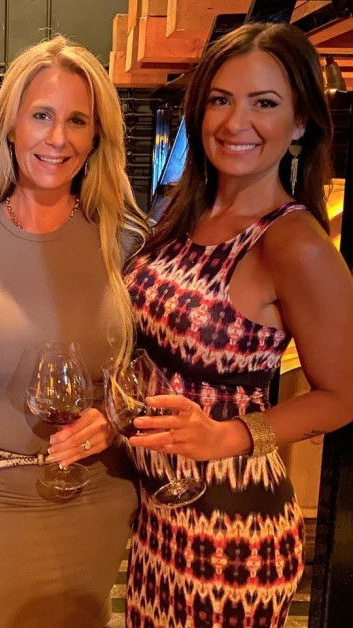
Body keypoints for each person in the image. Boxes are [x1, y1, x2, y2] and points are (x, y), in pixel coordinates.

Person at [123, 22, 353, 628]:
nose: (235, 122)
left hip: (231, 533)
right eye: (221, 100)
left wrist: (229, 436)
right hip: (159, 515)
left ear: (300, 123)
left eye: (265, 103)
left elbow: (342, 396)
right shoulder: (183, 209)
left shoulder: (294, 242)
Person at [0, 35, 148, 627]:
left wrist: (115, 415)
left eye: (78, 120)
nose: (58, 138)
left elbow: (153, 367)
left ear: (97, 136)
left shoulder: (123, 237)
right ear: (9, 126)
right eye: (42, 116)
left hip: (94, 489)